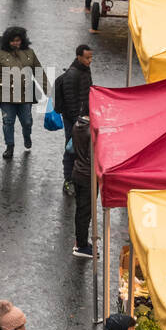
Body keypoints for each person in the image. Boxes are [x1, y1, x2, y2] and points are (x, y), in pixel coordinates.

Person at [0, 25, 49, 158]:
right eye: (12, 41)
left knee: (27, 121)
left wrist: (48, 91)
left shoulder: (30, 53)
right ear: (7, 41)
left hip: (25, 95)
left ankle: (27, 136)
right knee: (8, 122)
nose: (15, 43)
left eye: (18, 40)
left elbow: (39, 73)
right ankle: (9, 146)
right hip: (6, 96)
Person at [55, 44, 93, 193]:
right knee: (71, 149)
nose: (90, 60)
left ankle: (76, 178)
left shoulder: (85, 70)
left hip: (83, 118)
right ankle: (68, 180)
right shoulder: (72, 75)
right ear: (79, 57)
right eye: (87, 58)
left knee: (80, 149)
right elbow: (71, 103)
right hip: (75, 121)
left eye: (91, 57)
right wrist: (79, 122)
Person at [71, 112, 94, 257]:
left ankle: (81, 241)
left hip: (77, 172)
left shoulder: (77, 125)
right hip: (87, 176)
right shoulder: (90, 131)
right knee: (84, 212)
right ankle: (81, 246)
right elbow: (93, 156)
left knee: (80, 210)